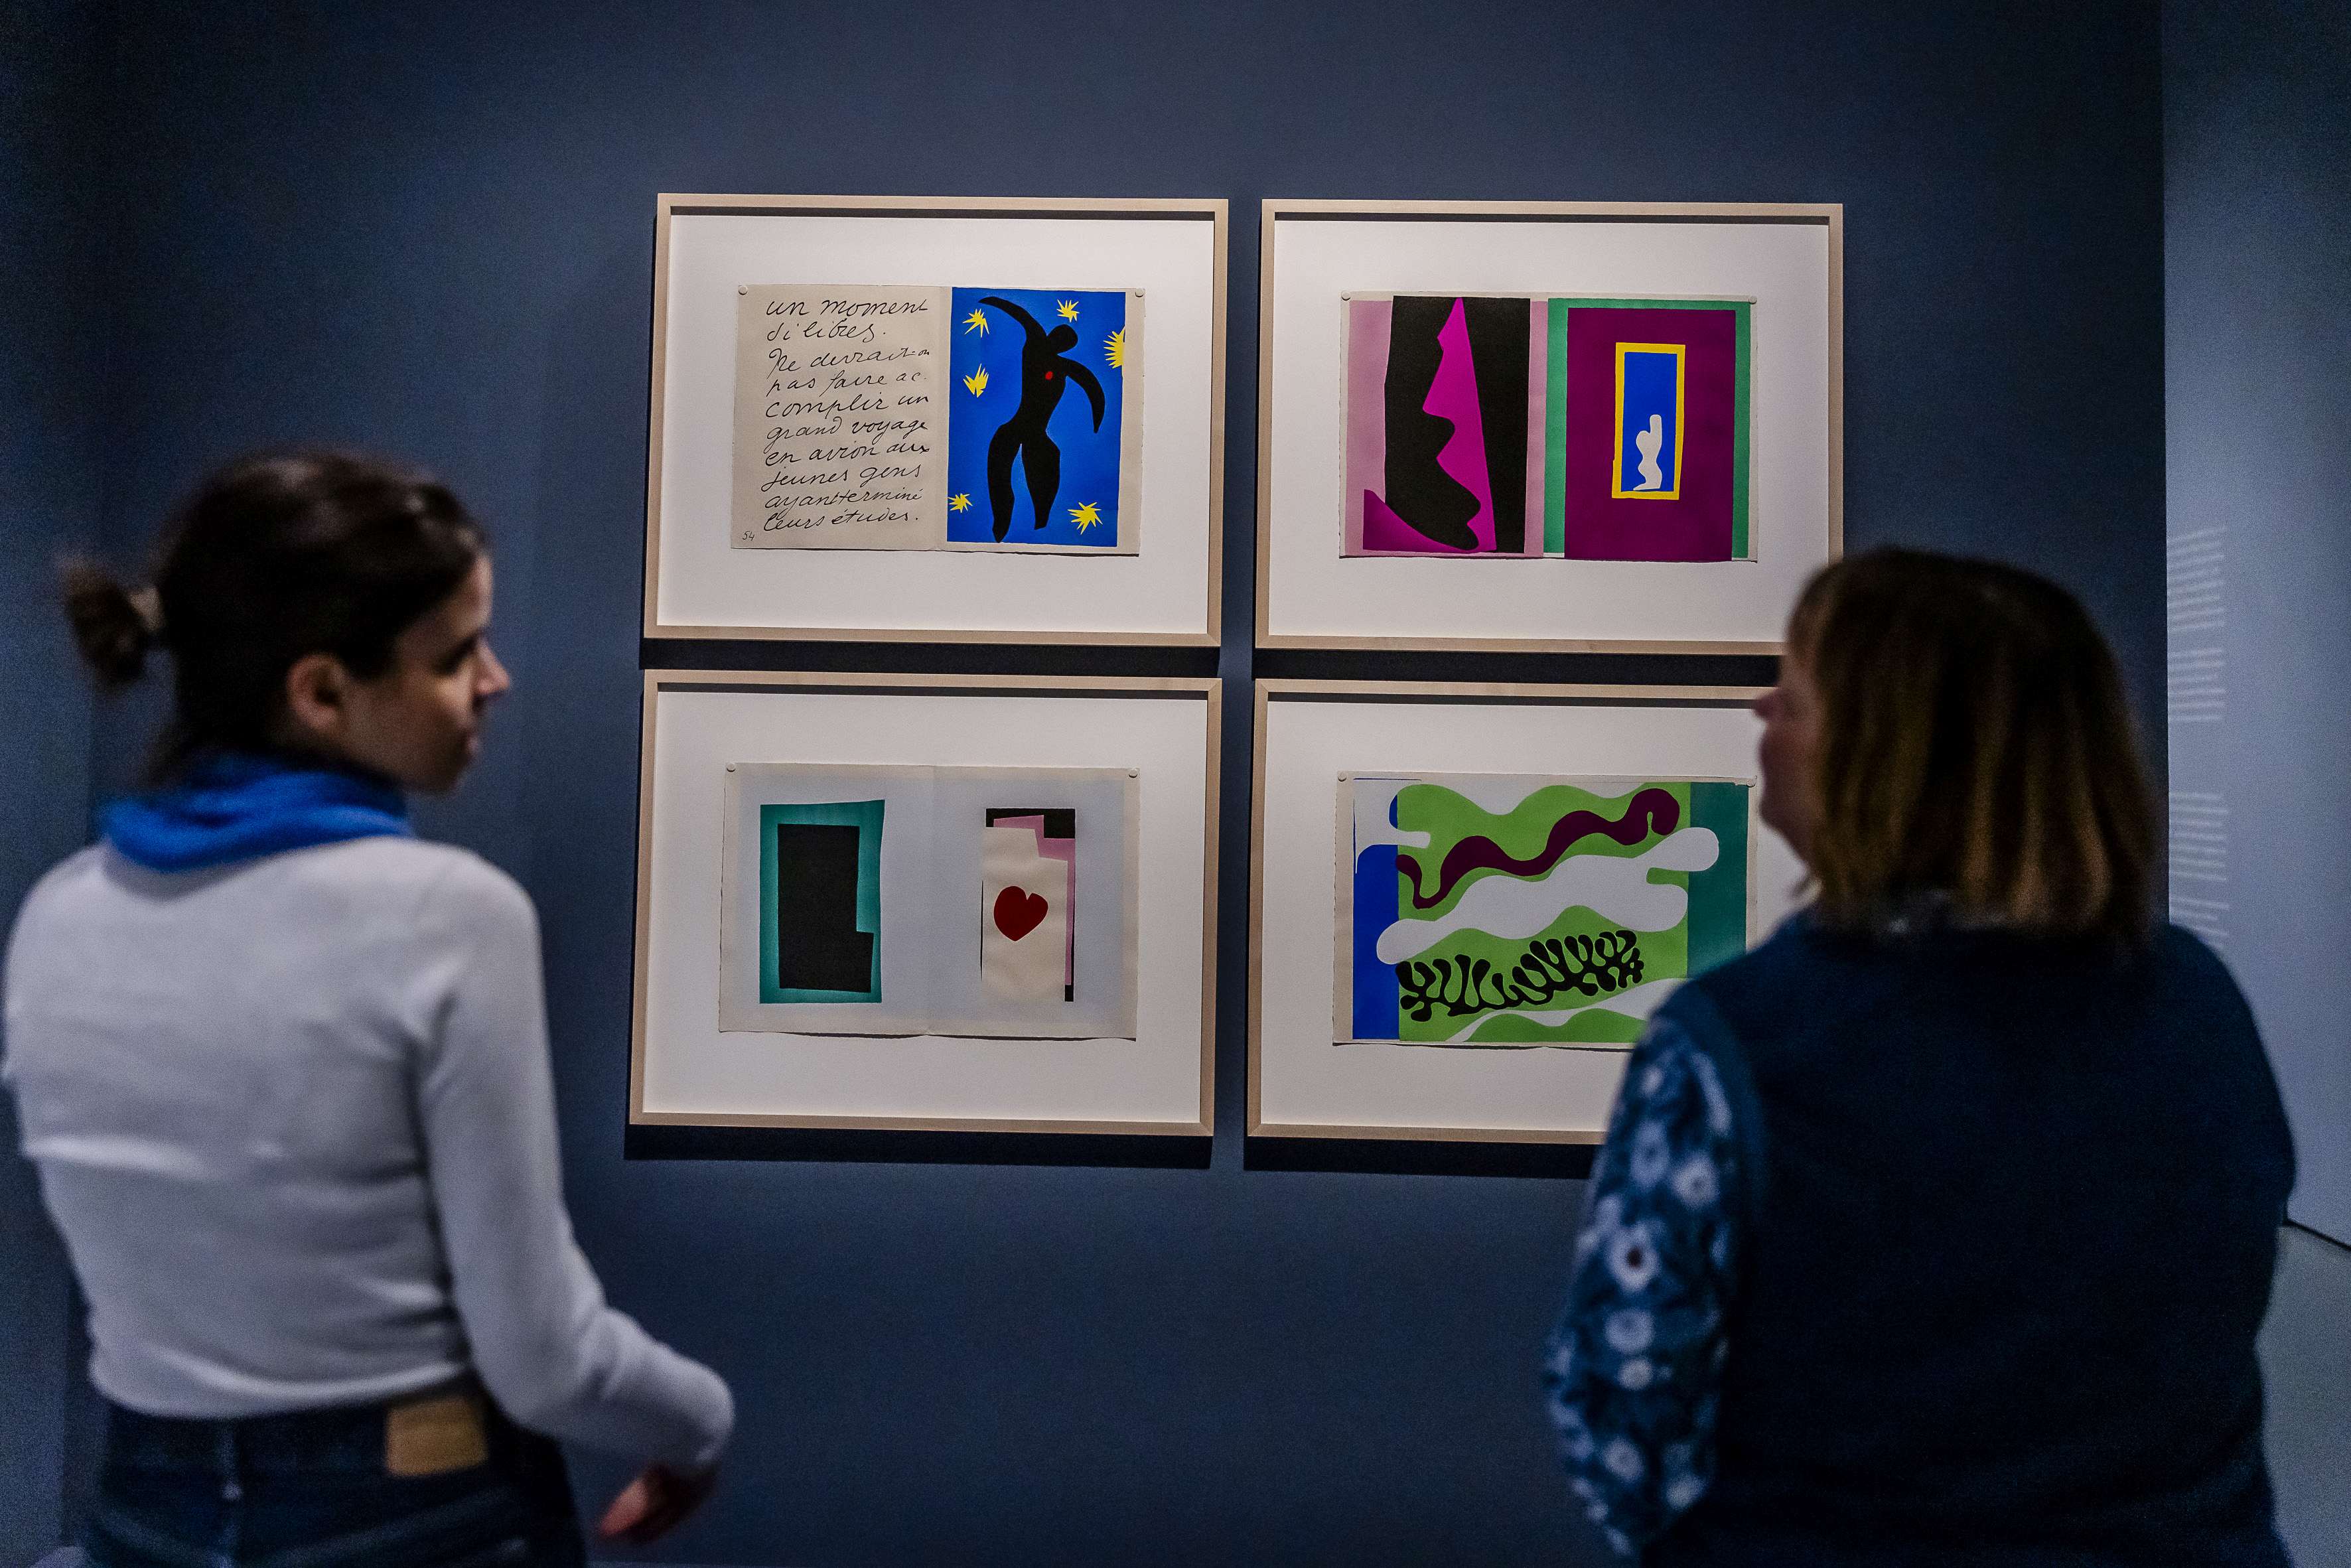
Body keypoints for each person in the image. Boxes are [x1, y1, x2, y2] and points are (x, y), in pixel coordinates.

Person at [3, 453, 733, 1566]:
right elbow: (543, 1355)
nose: (496, 679)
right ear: (323, 692)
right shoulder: (449, 916)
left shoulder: (56, 913)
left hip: (144, 1512)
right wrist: (697, 1422)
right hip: (417, 1513)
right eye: (453, 654)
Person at [1543, 548, 2295, 1566]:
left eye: (1798, 697)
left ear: (1882, 760)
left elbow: (1620, 1401)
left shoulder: (1739, 1042)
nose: (1764, 711)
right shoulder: (2197, 1002)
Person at [976, 294, 1105, 541]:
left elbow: (1093, 389)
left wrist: (1097, 418)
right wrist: (995, 301)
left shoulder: (1064, 366)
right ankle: (1002, 525)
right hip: (1017, 427)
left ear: (1066, 347)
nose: (1059, 344)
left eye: (1065, 343)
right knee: (1000, 474)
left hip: (1037, 433)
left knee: (1044, 475)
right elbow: (1024, 317)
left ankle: (1040, 523)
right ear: (1052, 336)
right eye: (1059, 338)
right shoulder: (1035, 345)